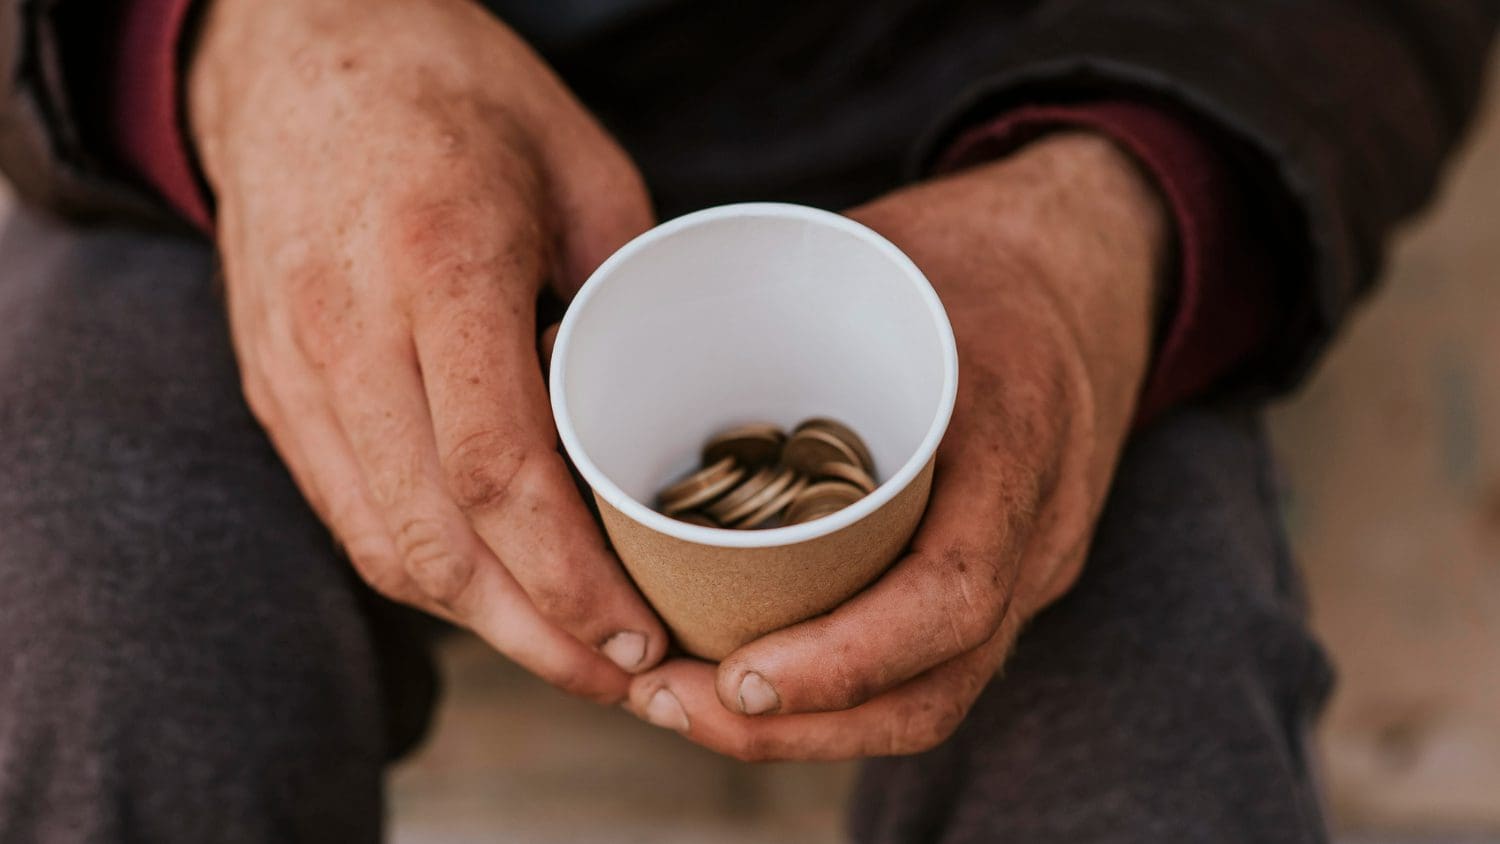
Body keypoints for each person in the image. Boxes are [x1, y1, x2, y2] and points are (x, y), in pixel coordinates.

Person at [1, 0, 1495, 841]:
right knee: (92, 589)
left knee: (1149, 709)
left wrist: (1122, 196)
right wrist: (235, 48)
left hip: (1022, 122)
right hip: (316, 115)